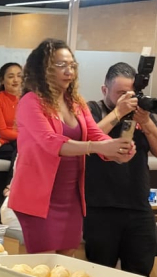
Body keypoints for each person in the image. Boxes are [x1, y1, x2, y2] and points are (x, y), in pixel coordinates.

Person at [8, 39, 134, 254]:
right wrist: (98, 147)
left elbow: (95, 134)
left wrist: (118, 149)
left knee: (66, 263)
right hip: (38, 199)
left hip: (71, 197)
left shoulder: (75, 102)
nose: (69, 71)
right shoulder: (31, 101)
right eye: (61, 65)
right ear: (43, 68)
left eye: (72, 65)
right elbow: (51, 142)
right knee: (44, 265)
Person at [84, 62, 157, 277]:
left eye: (131, 93)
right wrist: (118, 113)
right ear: (104, 90)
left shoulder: (142, 115)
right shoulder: (92, 109)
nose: (127, 99)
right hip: (100, 208)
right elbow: (86, 140)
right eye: (120, 93)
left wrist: (147, 122)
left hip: (138, 208)